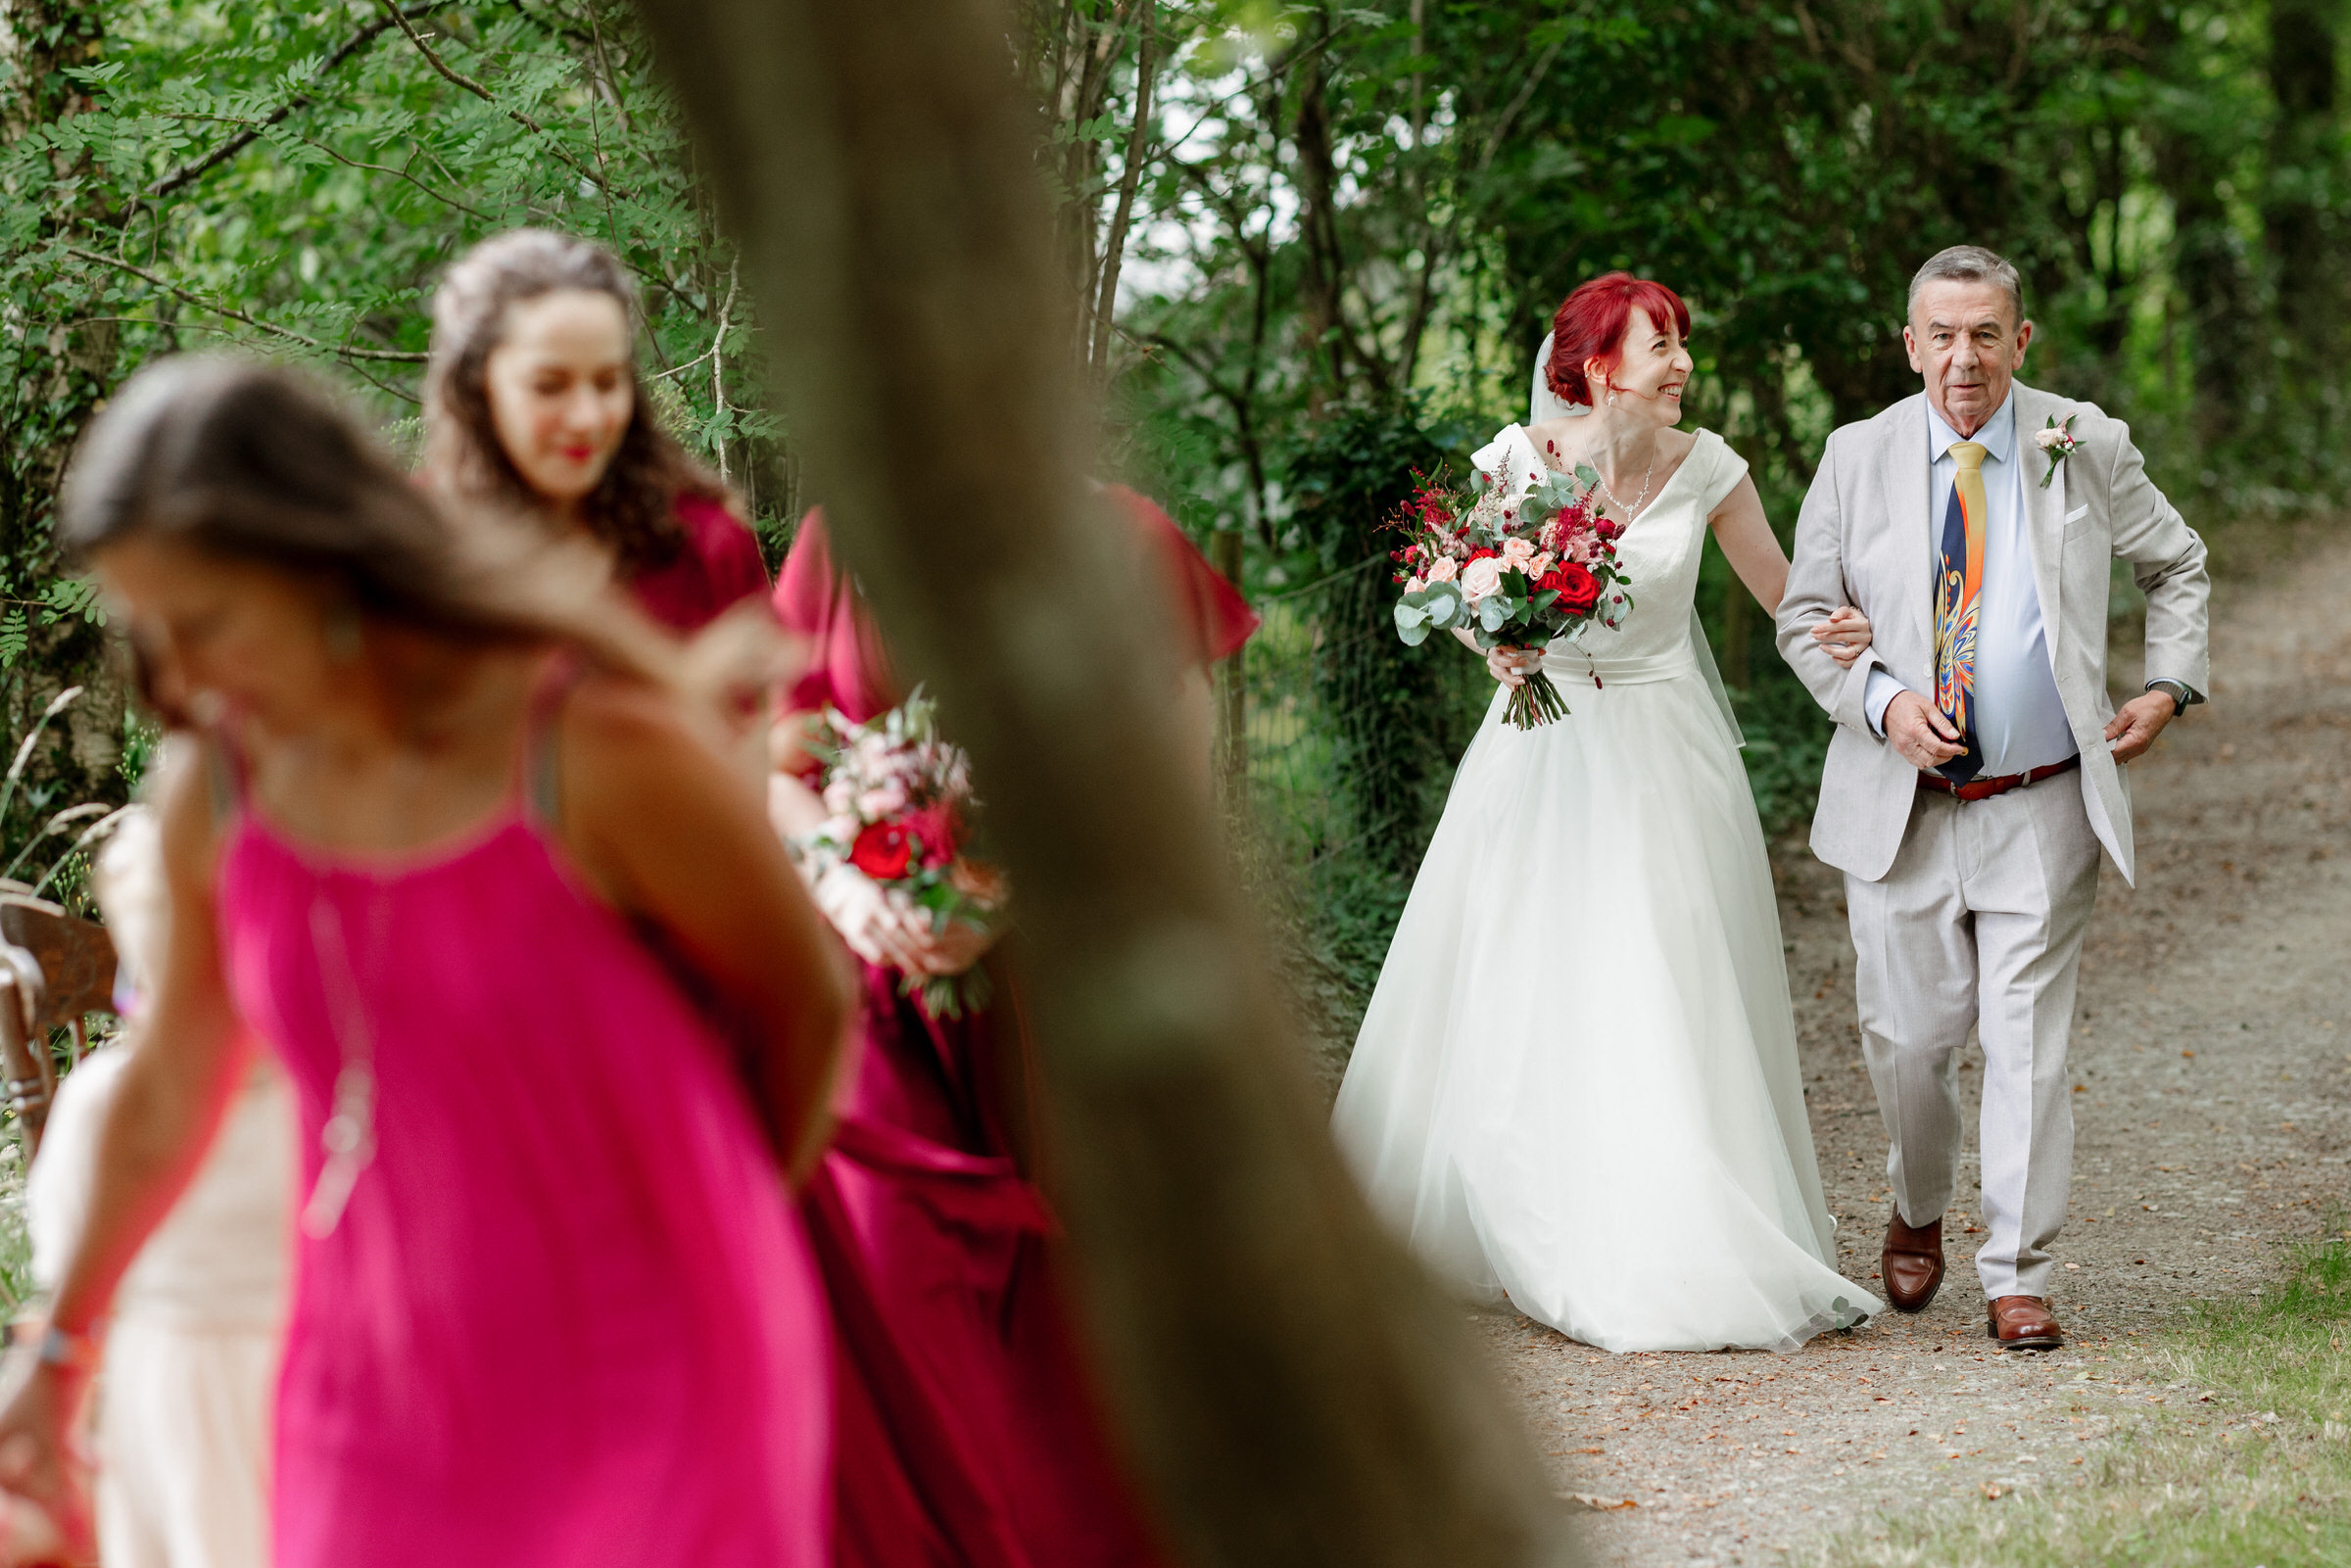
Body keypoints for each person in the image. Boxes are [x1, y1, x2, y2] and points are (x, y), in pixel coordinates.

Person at [0, 356, 851, 1566]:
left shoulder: (591, 745)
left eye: (202, 623)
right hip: (372, 1359)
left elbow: (805, 1004)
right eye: (147, 629)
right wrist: (55, 1357)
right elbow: (169, 1090)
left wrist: (717, 1234)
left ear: (320, 566)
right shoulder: (220, 788)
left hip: (647, 1357)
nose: (174, 679)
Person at [1329, 271, 1885, 1354]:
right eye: (1661, 344)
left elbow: (1792, 599)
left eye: (1681, 341)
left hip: (1667, 752)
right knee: (1532, 970)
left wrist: (1877, 652)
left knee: (1662, 973)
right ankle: (1531, 1205)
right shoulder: (1516, 462)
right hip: (1539, 745)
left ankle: (1673, 1224)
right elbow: (1448, 586)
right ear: (1597, 368)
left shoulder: (1711, 468)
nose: (1682, 364)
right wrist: (1493, 639)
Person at [769, 490, 1251, 1566]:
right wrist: (847, 891)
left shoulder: (1122, 533)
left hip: (1068, 980)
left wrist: (1018, 888)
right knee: (893, 1283)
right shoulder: (836, 534)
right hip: (882, 994)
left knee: (1077, 1321)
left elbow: (1172, 763)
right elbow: (779, 762)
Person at [1775, 245, 2210, 1352]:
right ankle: (1916, 1199)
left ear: (2021, 341)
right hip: (1901, 807)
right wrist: (1878, 701)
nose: (1963, 358)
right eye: (1942, 334)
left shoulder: (2084, 441)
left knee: (2028, 1044)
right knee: (1908, 1045)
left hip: (2043, 798)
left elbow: (2179, 563)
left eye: (1985, 334)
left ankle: (2019, 1268)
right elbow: (1803, 614)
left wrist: (2167, 683)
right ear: (1909, 342)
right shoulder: (1857, 454)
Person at [24, 802, 292, 1568]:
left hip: (162, 1390)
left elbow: (65, 1262)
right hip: (315, 1385)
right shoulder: (334, 1098)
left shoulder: (103, 1103)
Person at [423, 228, 769, 634]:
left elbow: (781, 695)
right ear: (476, 387)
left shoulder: (705, 544)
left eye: (607, 382)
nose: (587, 418)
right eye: (549, 386)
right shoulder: (418, 552)